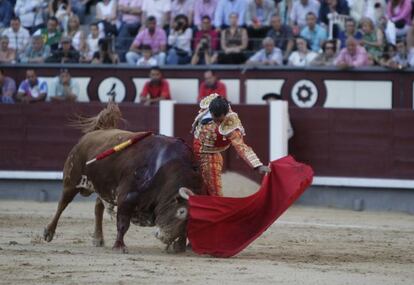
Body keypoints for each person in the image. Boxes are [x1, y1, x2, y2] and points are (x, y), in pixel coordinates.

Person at [192, 94, 270, 196]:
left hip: (210, 155)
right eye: (214, 116)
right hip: (196, 148)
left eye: (219, 119)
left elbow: (241, 146)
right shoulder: (210, 104)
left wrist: (257, 165)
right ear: (210, 111)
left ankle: (216, 208)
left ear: (225, 114)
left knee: (214, 190)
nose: (216, 121)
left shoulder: (231, 126)